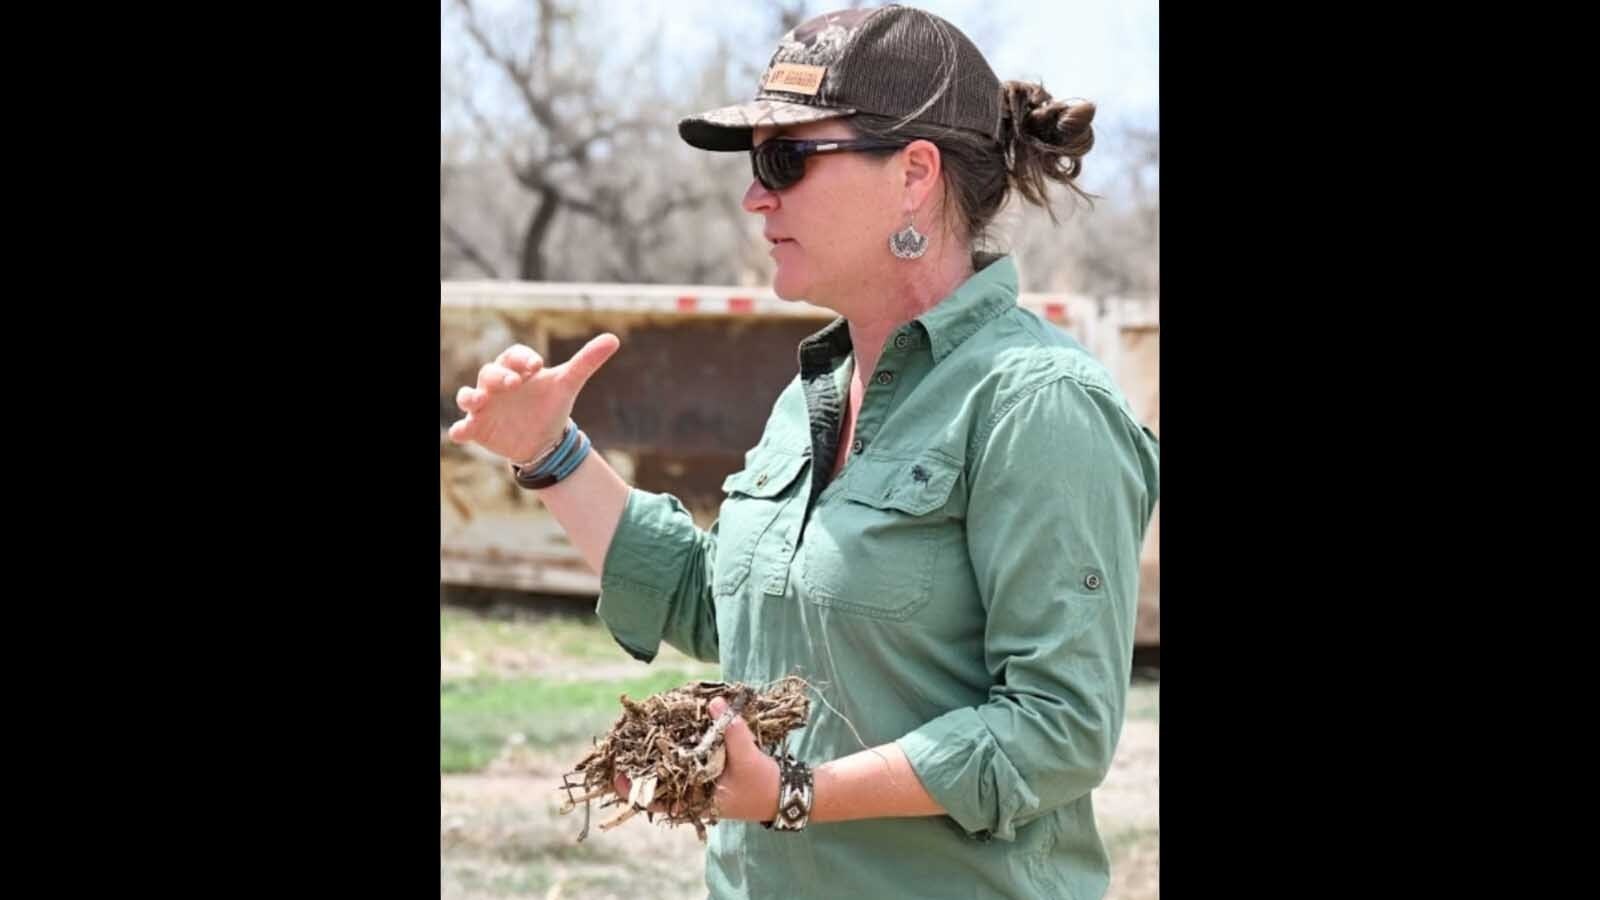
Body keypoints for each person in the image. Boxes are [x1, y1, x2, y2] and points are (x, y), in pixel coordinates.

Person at [447, 4, 1159, 897]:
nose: (756, 195)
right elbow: (731, 616)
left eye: (786, 159)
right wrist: (549, 454)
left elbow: (1058, 729)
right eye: (757, 165)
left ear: (914, 174)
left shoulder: (1039, 404)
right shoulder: (813, 395)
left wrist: (795, 793)